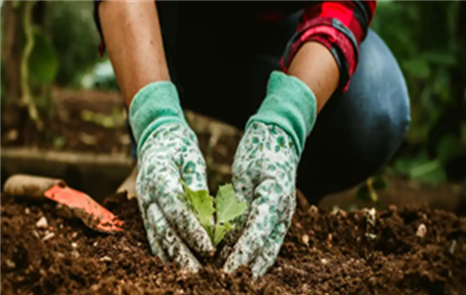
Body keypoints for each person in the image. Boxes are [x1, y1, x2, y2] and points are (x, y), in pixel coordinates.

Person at [94, 0, 409, 277]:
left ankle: (283, 195)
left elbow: (344, 6)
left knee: (375, 101)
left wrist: (285, 121)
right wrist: (156, 122)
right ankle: (152, 165)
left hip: (276, 36)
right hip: (173, 30)